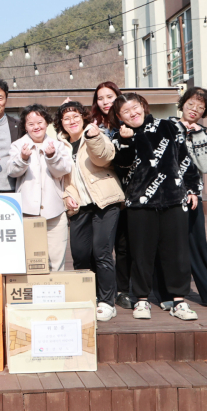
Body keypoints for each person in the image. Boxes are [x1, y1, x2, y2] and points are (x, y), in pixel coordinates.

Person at [112, 93, 201, 321]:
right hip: (139, 203)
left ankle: (179, 301)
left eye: (135, 107)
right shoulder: (119, 136)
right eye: (125, 112)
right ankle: (141, 299)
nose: (133, 113)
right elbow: (122, 166)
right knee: (141, 253)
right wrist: (126, 141)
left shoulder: (168, 126)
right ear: (120, 117)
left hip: (174, 198)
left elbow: (184, 159)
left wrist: (192, 188)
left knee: (177, 253)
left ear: (143, 106)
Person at [156, 88, 207, 312]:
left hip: (193, 198)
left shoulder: (203, 134)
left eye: (200, 108)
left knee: (198, 246)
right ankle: (166, 293)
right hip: (165, 197)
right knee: (166, 246)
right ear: (182, 104)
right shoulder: (165, 127)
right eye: (191, 104)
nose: (194, 110)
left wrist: (198, 136)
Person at [57, 101, 124, 322]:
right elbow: (63, 179)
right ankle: (87, 296)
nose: (72, 121)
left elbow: (104, 158)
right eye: (66, 118)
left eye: (75, 116)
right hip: (80, 206)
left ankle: (107, 301)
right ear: (61, 123)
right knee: (80, 254)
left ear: (84, 117)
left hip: (105, 201)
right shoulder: (61, 145)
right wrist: (67, 196)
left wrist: (93, 138)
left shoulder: (95, 134)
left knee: (101, 251)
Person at [6, 104, 72, 271]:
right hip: (27, 212)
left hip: (55, 212)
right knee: (32, 261)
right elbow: (12, 171)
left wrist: (52, 156)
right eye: (31, 124)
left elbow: (63, 171)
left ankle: (56, 288)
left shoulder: (57, 145)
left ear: (47, 123)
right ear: (25, 126)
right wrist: (22, 158)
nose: (36, 127)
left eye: (40, 122)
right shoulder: (18, 145)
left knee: (56, 262)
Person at [91, 81, 133, 311]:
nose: (105, 102)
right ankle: (103, 289)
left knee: (124, 244)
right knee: (102, 246)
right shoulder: (94, 125)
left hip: (129, 191)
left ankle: (123, 289)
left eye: (109, 96)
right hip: (104, 192)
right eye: (100, 98)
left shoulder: (127, 123)